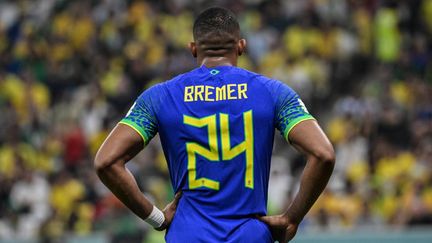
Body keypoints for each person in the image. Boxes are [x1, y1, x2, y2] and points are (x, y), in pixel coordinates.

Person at [94, 7, 335, 243]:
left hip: (187, 235)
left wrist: (156, 217)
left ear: (193, 48)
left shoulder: (160, 96)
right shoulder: (273, 92)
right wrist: (292, 218)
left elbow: (106, 162)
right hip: (250, 234)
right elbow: (323, 154)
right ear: (241, 46)